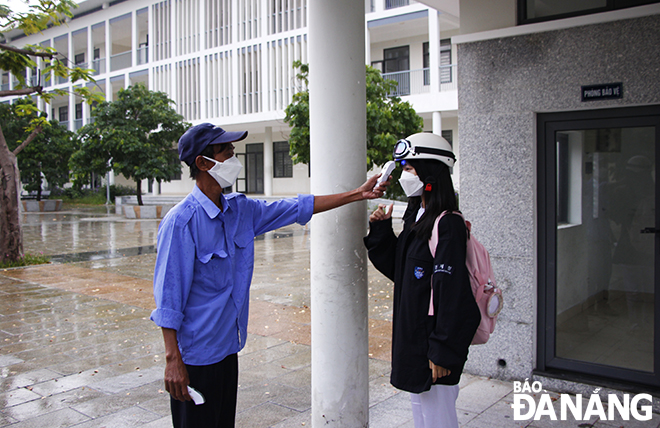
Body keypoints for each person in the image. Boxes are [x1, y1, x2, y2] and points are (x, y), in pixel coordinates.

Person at [151, 122, 388, 428]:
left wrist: (357, 194)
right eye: (227, 153)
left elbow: (295, 207)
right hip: (195, 358)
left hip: (226, 349)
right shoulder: (181, 223)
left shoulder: (240, 211)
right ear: (202, 162)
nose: (234, 160)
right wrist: (173, 361)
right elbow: (168, 299)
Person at [364, 133, 480, 428]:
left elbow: (451, 293)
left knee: (438, 420)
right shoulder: (418, 217)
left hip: (434, 347)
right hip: (415, 341)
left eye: (410, 169)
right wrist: (380, 232)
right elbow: (403, 274)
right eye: (403, 168)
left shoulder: (448, 223)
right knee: (422, 417)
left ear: (430, 173)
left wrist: (442, 350)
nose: (404, 176)